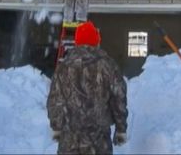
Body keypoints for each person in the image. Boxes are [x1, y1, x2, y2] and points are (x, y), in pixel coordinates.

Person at [47, 21, 128, 154]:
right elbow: (118, 97)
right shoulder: (108, 65)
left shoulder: (63, 67)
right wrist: (121, 128)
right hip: (99, 141)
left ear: (77, 42)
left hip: (70, 140)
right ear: (96, 41)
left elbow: (55, 99)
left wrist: (56, 126)